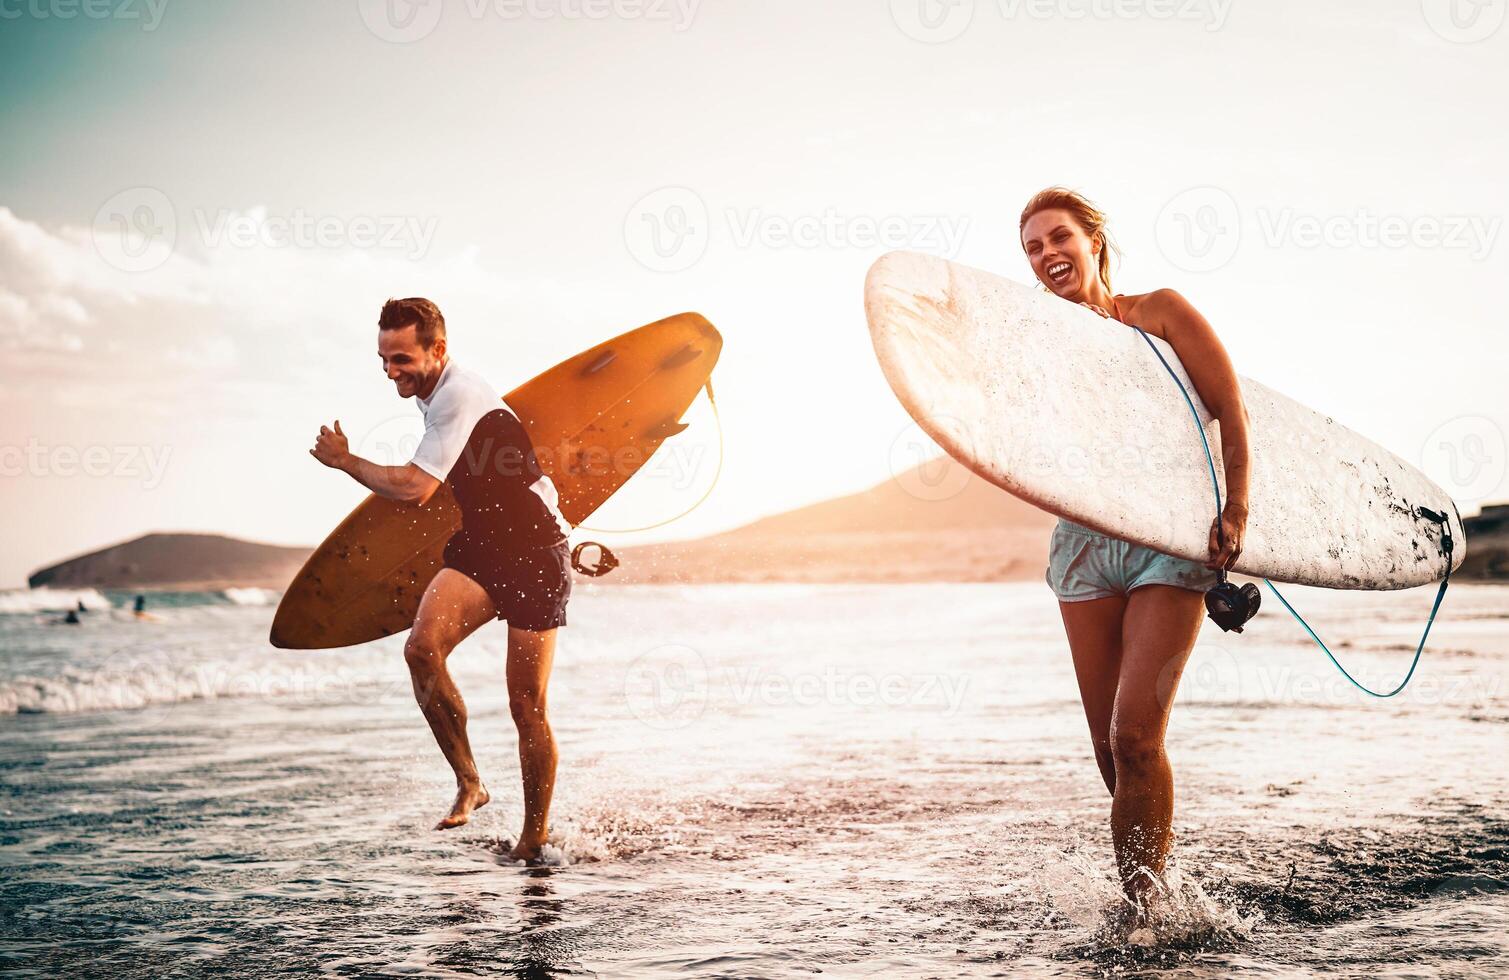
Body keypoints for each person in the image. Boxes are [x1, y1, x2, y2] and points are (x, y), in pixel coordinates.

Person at [1018, 188, 1251, 904]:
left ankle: (1149, 911)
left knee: (1135, 741)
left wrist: (1235, 508)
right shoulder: (1040, 344)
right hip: (1083, 548)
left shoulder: (1159, 311)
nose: (1048, 255)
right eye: (1032, 248)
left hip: (1165, 540)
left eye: (1058, 238)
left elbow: (1229, 408)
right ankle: (1149, 889)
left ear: (1092, 241)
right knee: (1106, 751)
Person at [309, 297, 573, 861]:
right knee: (422, 651)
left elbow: (413, 488)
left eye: (401, 359)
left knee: (527, 706)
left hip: (533, 552)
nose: (390, 372)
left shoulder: (457, 394)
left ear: (438, 350)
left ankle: (534, 838)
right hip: (482, 544)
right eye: (383, 360)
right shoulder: (435, 397)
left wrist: (346, 461)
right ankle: (471, 782)